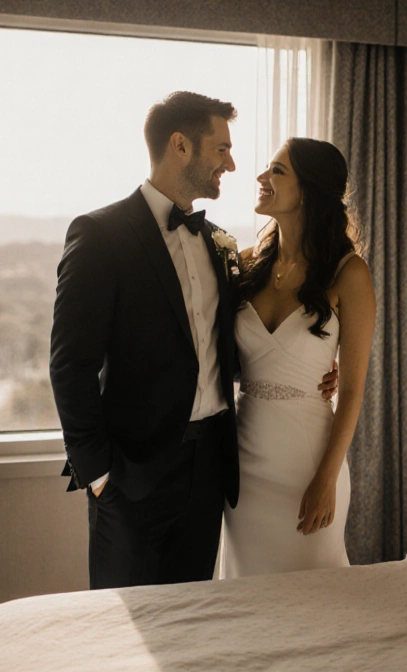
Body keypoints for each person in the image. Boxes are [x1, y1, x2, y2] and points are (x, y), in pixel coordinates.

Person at [49, 92, 336, 589]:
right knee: (132, 642)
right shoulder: (100, 234)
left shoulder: (221, 244)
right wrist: (99, 476)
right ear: (180, 145)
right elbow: (69, 365)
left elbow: (232, 346)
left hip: (211, 475)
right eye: (221, 148)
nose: (232, 162)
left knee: (200, 627)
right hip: (130, 477)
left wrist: (311, 369)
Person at [220, 138, 376, 577]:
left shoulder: (349, 273)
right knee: (245, 599)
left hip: (306, 464)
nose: (261, 178)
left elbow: (352, 393)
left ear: (307, 190)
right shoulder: (244, 265)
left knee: (312, 605)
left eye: (277, 171)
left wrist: (326, 479)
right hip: (244, 465)